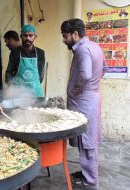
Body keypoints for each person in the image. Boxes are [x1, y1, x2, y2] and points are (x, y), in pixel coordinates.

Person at [61, 18, 106, 190]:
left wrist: (75, 91)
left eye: (65, 36)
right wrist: (93, 88)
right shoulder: (95, 46)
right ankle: (88, 174)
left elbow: (85, 75)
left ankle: (90, 181)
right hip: (91, 99)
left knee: (86, 142)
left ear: (75, 34)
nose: (64, 40)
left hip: (84, 102)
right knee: (88, 141)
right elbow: (104, 69)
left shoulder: (82, 50)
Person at [5, 24, 45, 97]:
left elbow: (41, 75)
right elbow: (9, 72)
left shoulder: (40, 53)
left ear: (35, 37)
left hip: (36, 94)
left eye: (30, 35)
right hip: (19, 94)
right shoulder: (15, 52)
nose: (28, 38)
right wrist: (12, 88)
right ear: (21, 37)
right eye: (25, 35)